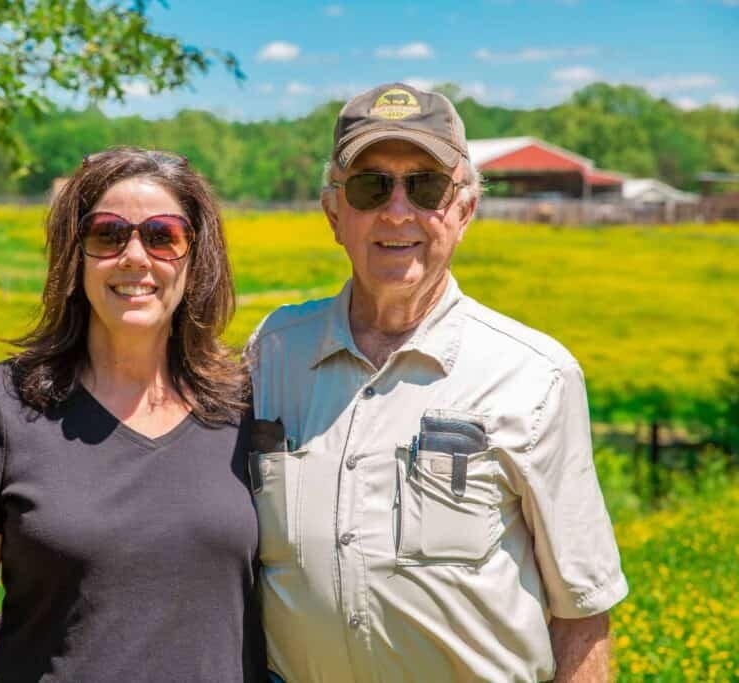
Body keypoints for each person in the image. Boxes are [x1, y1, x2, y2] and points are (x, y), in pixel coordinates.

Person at [245, 83, 628, 682]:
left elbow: (581, 610)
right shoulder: (271, 352)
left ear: (464, 210)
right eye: (372, 187)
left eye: (425, 187)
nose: (397, 212)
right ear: (334, 214)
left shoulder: (535, 374)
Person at [0, 147, 265, 682]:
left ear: (195, 258)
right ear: (73, 255)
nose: (134, 257)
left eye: (162, 235)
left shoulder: (249, 404)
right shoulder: (2, 405)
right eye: (107, 234)